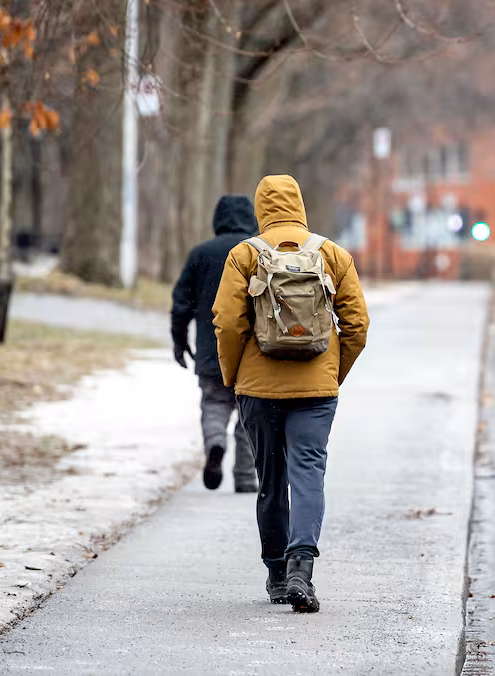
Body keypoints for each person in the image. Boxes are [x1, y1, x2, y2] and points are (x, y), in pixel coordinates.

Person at [212, 175, 369, 613]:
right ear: (299, 204)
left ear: (262, 209)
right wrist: (332, 373)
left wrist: (234, 375)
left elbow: (227, 324)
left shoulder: (244, 255)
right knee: (307, 473)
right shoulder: (331, 254)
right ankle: (302, 565)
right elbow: (357, 325)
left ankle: (277, 575)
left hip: (258, 389)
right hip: (316, 388)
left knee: (271, 480)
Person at [171, 195, 260, 492]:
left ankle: (215, 444)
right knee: (250, 415)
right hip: (251, 353)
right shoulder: (258, 252)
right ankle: (246, 477)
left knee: (214, 404)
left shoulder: (201, 254)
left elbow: (181, 302)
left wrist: (179, 342)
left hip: (211, 351)